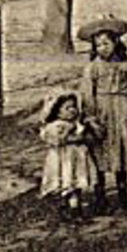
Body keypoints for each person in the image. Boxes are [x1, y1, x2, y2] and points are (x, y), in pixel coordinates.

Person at [77, 18, 127, 213]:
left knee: (121, 151)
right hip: (102, 111)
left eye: (106, 43)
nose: (103, 48)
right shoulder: (93, 68)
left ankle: (123, 197)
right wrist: (90, 117)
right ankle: (101, 198)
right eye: (98, 45)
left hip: (122, 110)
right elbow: (87, 94)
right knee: (101, 153)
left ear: (116, 43)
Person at [39, 91, 100, 223]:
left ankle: (75, 211)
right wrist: (72, 134)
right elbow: (56, 140)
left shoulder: (78, 124)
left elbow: (88, 137)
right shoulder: (55, 126)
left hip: (76, 159)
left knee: (75, 184)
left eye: (74, 107)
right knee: (65, 183)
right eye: (67, 108)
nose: (72, 110)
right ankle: (65, 210)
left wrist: (87, 130)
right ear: (58, 112)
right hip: (63, 160)